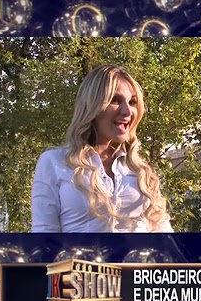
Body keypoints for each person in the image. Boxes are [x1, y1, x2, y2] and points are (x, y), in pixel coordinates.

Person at [31, 64, 173, 233]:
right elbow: (44, 234)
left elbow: (164, 235)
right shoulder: (55, 162)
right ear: (93, 106)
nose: (128, 111)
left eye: (132, 102)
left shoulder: (140, 171)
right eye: (115, 100)